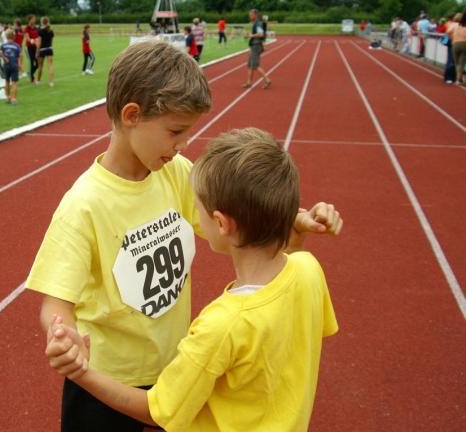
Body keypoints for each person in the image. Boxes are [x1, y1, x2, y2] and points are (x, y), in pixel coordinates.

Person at [26, 40, 342, 432]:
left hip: (174, 367)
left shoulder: (173, 173)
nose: (183, 145)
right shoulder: (83, 205)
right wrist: (64, 333)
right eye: (175, 131)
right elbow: (54, 303)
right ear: (131, 115)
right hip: (106, 377)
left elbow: (234, 218)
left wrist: (291, 220)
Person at [243, 8, 271, 89]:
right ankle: (249, 82)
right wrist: (250, 34)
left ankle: (267, 80)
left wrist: (251, 35)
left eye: (251, 15)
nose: (250, 16)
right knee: (249, 65)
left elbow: (261, 34)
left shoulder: (258, 23)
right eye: (250, 15)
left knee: (255, 65)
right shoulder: (256, 23)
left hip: (256, 45)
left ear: (255, 15)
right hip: (254, 45)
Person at [0, 29, 22, 105]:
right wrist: (20, 65)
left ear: (6, 36)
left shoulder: (3, 45)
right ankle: (14, 99)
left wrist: (4, 58)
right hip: (14, 65)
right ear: (13, 36)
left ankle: (8, 97)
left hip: (6, 65)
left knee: (7, 81)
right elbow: (19, 57)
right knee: (14, 82)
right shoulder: (17, 46)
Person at [447, 12, 466, 86]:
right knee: (462, 63)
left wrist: (452, 38)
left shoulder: (456, 25)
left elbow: (448, 32)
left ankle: (458, 79)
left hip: (455, 43)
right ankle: (459, 79)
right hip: (464, 44)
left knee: (457, 63)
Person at [36, 16, 55, 87]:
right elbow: (52, 42)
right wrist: (50, 48)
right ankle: (51, 82)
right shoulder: (51, 31)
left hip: (42, 50)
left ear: (42, 22)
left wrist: (37, 52)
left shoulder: (40, 31)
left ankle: (38, 80)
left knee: (40, 66)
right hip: (50, 49)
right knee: (50, 66)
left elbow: (39, 43)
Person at [23, 15, 40, 83]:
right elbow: (27, 37)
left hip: (35, 47)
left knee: (38, 63)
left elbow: (38, 37)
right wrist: (31, 40)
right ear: (29, 20)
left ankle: (30, 73)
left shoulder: (36, 28)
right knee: (31, 62)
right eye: (33, 19)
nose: (34, 20)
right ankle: (32, 79)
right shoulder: (27, 28)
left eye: (35, 19)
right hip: (29, 47)